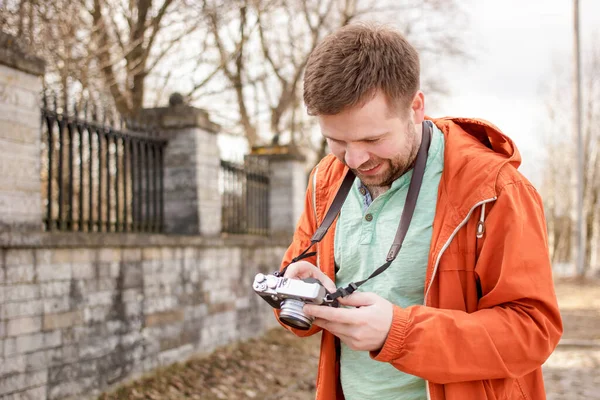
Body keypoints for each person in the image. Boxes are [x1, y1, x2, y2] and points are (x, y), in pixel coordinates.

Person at [274, 22, 563, 400]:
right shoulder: (326, 179)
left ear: (416, 108)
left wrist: (399, 333)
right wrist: (300, 290)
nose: (355, 159)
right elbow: (302, 301)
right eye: (337, 140)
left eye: (373, 139)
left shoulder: (495, 189)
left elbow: (532, 331)